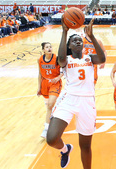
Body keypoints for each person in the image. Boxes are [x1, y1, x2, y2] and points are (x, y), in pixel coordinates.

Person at [46, 17, 105, 169]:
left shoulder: (90, 58)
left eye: (80, 40)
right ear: (69, 46)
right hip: (69, 99)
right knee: (52, 139)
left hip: (87, 102)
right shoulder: (65, 59)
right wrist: (65, 32)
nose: (78, 41)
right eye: (74, 40)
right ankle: (65, 150)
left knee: (85, 145)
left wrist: (91, 37)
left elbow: (102, 58)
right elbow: (60, 59)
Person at [37, 42, 63, 138]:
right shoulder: (40, 59)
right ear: (43, 50)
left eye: (50, 47)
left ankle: (46, 128)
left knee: (50, 104)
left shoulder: (57, 59)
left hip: (55, 83)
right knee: (49, 106)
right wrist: (39, 87)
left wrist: (58, 77)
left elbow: (63, 71)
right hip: (45, 83)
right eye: (47, 47)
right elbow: (39, 74)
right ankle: (53, 120)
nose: (49, 48)